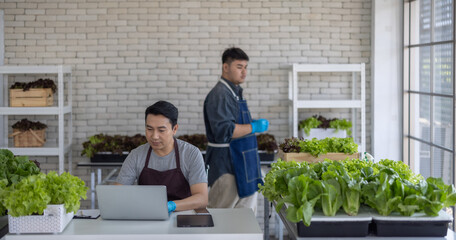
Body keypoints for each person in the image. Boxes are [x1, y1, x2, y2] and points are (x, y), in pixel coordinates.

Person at [203, 47, 269, 213]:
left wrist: (250, 123)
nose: (244, 72)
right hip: (227, 167)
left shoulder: (233, 93)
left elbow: (234, 122)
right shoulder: (220, 94)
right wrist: (254, 127)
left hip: (242, 166)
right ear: (226, 67)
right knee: (221, 219)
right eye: (239, 67)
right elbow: (226, 131)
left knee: (244, 221)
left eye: (245, 67)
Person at [116, 101, 208, 213]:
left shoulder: (191, 154)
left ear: (174, 129)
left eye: (161, 130)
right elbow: (117, 194)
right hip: (148, 217)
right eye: (149, 129)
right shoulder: (136, 155)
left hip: (183, 217)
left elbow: (202, 199)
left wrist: (171, 206)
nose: (154, 136)